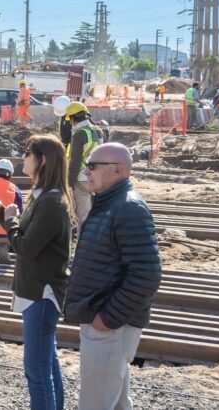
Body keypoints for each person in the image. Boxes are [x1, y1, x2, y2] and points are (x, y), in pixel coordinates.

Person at [64, 143, 161, 410]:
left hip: (111, 326)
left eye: (92, 166)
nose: (87, 171)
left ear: (117, 170)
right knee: (115, 402)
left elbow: (147, 274)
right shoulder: (108, 205)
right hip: (105, 323)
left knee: (95, 404)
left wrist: (107, 319)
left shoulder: (128, 208)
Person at [0, 134, 71, 410]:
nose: (23, 157)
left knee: (37, 373)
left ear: (43, 160)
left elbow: (25, 247)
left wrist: (10, 222)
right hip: (36, 292)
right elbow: (27, 240)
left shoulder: (50, 202)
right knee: (47, 364)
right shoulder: (43, 197)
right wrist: (5, 219)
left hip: (41, 294)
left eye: (27, 153)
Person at [64, 102, 103, 227]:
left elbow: (75, 161)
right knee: (95, 213)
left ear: (72, 118)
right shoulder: (98, 131)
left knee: (83, 217)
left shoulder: (79, 134)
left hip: (81, 178)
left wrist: (69, 183)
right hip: (97, 177)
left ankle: (83, 237)